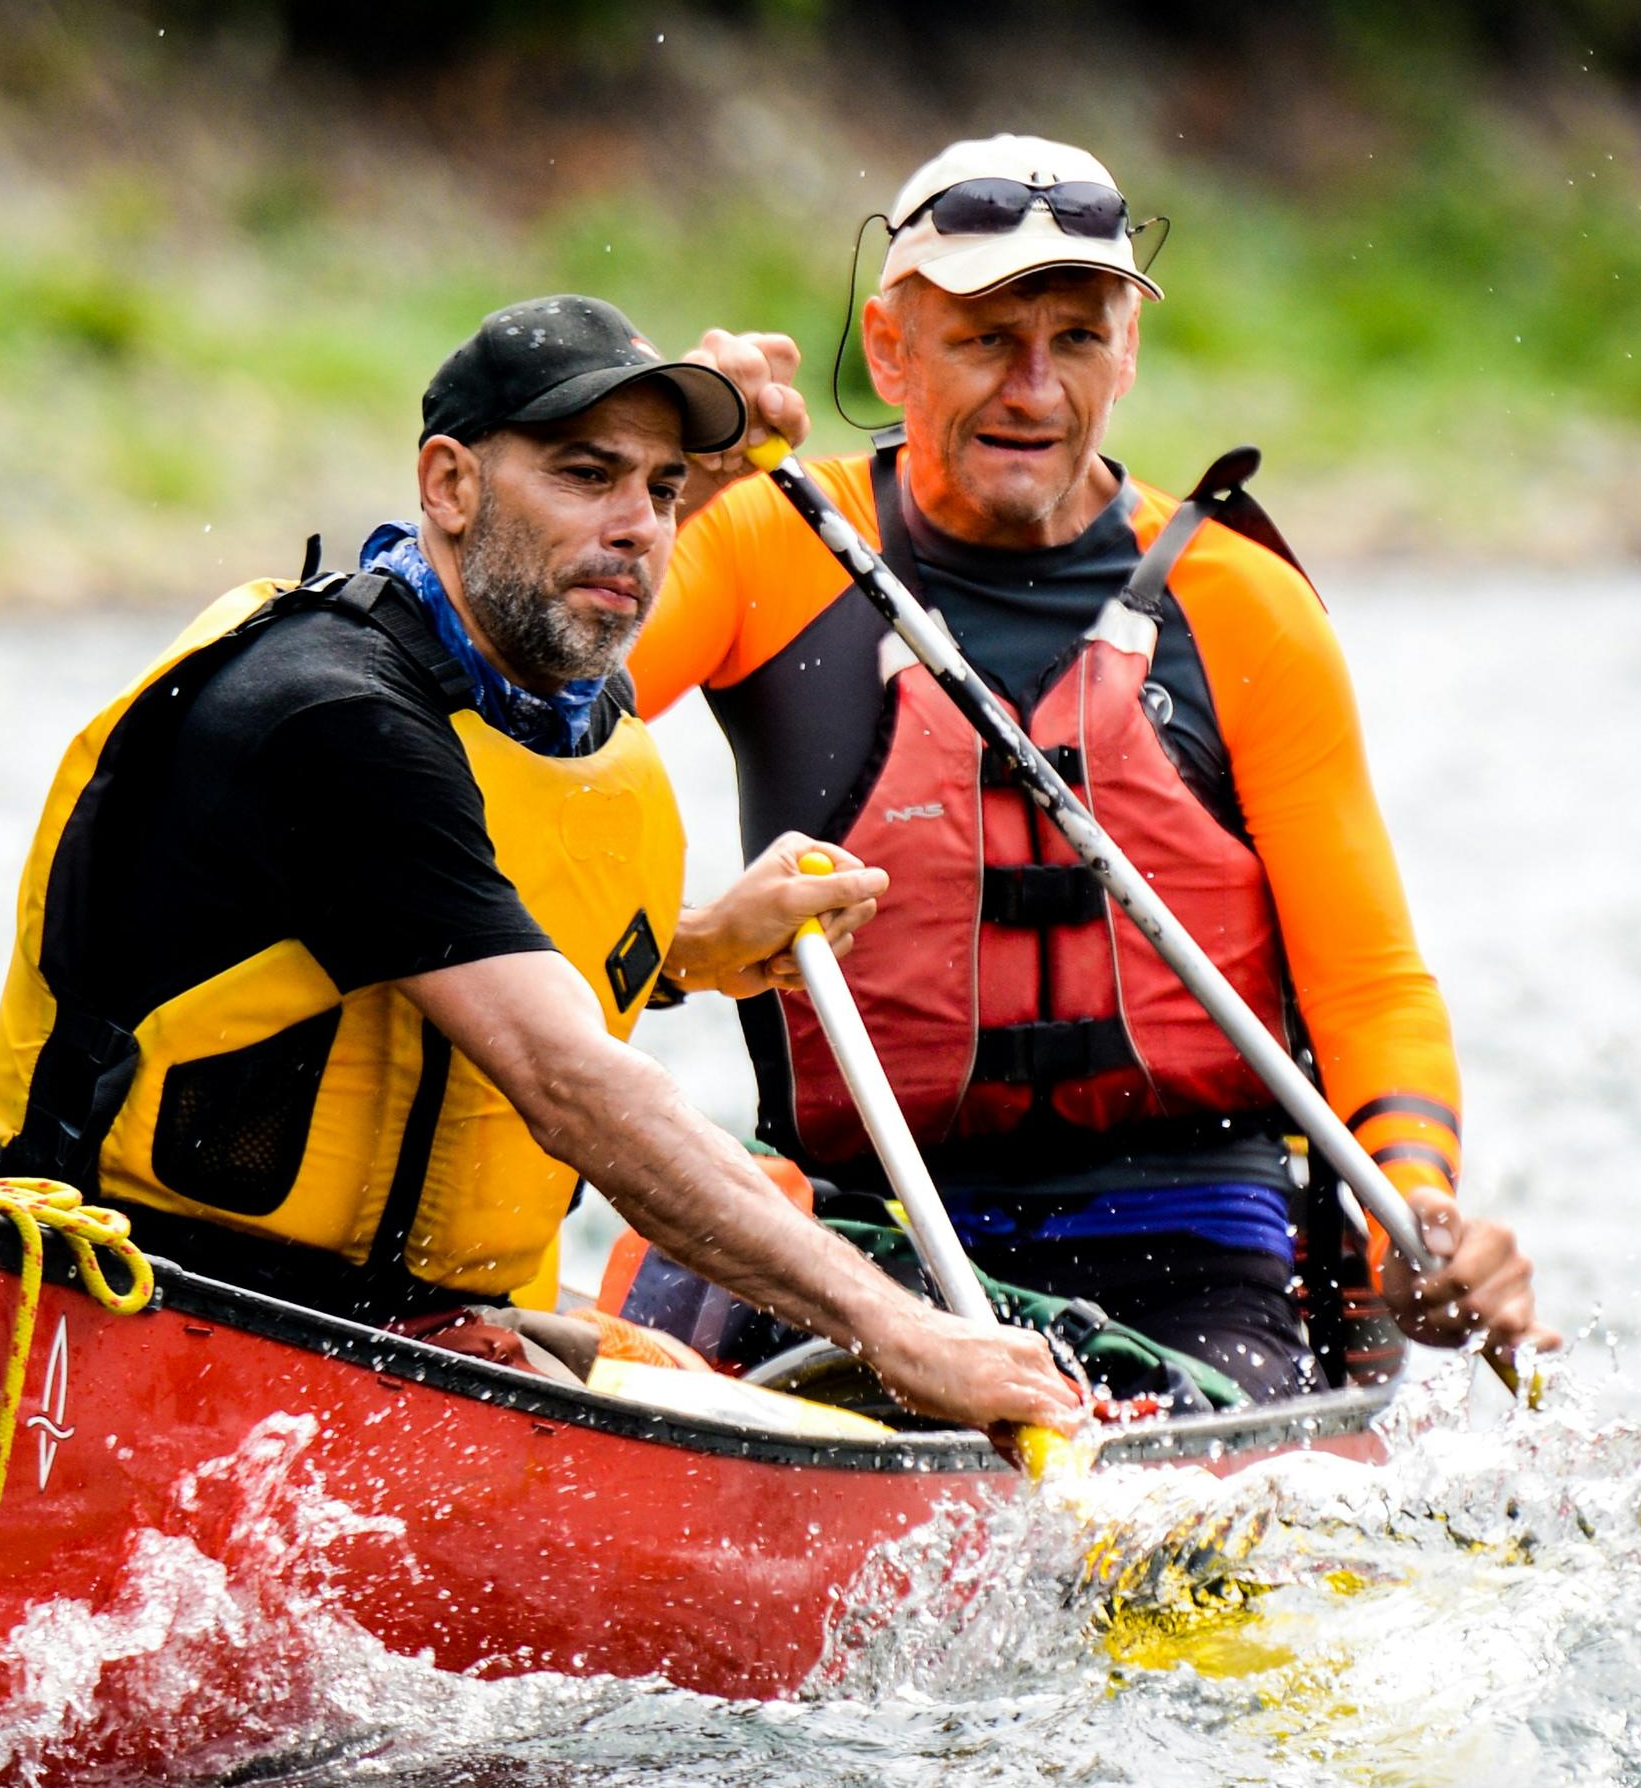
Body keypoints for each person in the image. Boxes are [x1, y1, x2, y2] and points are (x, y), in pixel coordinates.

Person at [0, 293, 1083, 1440]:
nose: (641, 528)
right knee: (859, 1375)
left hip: (411, 1329)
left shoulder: (544, 694)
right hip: (165, 1319)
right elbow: (568, 1079)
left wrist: (693, 949)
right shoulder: (330, 716)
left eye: (662, 492)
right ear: (449, 487)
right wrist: (903, 1333)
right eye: (585, 473)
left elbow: (432, 936)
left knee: (793, 1410)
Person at [633, 135, 1551, 1402]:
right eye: (986, 339)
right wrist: (658, 481)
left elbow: (1373, 986)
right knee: (654, 1339)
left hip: (1189, 1236)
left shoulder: (1244, 607)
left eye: (1076, 338)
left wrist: (1423, 1215)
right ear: (889, 349)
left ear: (1127, 355)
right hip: (863, 1227)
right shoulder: (759, 542)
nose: (1035, 387)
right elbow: (521, 725)